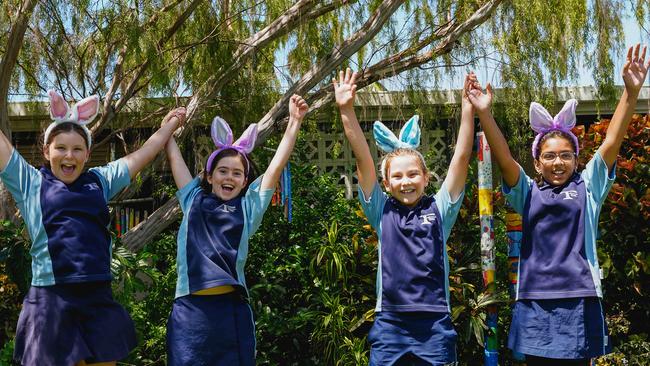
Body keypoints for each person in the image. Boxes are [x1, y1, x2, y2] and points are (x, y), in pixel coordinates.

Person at [465, 44, 649, 365]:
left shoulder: (588, 187)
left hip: (580, 298)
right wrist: (484, 113)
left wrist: (630, 94)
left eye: (566, 155)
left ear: (576, 159)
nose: (558, 161)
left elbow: (610, 143)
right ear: (538, 163)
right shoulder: (526, 193)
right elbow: (504, 157)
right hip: (535, 301)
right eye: (549, 156)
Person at [0, 89, 186, 366]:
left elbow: (145, 152)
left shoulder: (100, 180)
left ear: (87, 154)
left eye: (77, 149)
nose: (69, 156)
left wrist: (170, 125)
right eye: (60, 148)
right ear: (46, 151)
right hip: (52, 298)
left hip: (96, 295)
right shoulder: (30, 182)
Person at [333, 68, 475, 365]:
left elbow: (461, 158)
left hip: (435, 321)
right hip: (391, 323)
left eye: (413, 174)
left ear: (426, 177)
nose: (405, 181)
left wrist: (467, 110)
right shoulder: (381, 209)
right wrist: (346, 109)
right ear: (385, 183)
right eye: (397, 176)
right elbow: (363, 158)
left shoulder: (439, 210)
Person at [164, 95, 308, 366]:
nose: (229, 177)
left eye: (237, 173)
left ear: (244, 182)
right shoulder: (193, 199)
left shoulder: (248, 207)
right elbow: (174, 158)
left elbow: (275, 167)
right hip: (190, 311)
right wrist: (168, 130)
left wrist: (295, 122)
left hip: (231, 311)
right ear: (209, 176)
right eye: (222, 171)